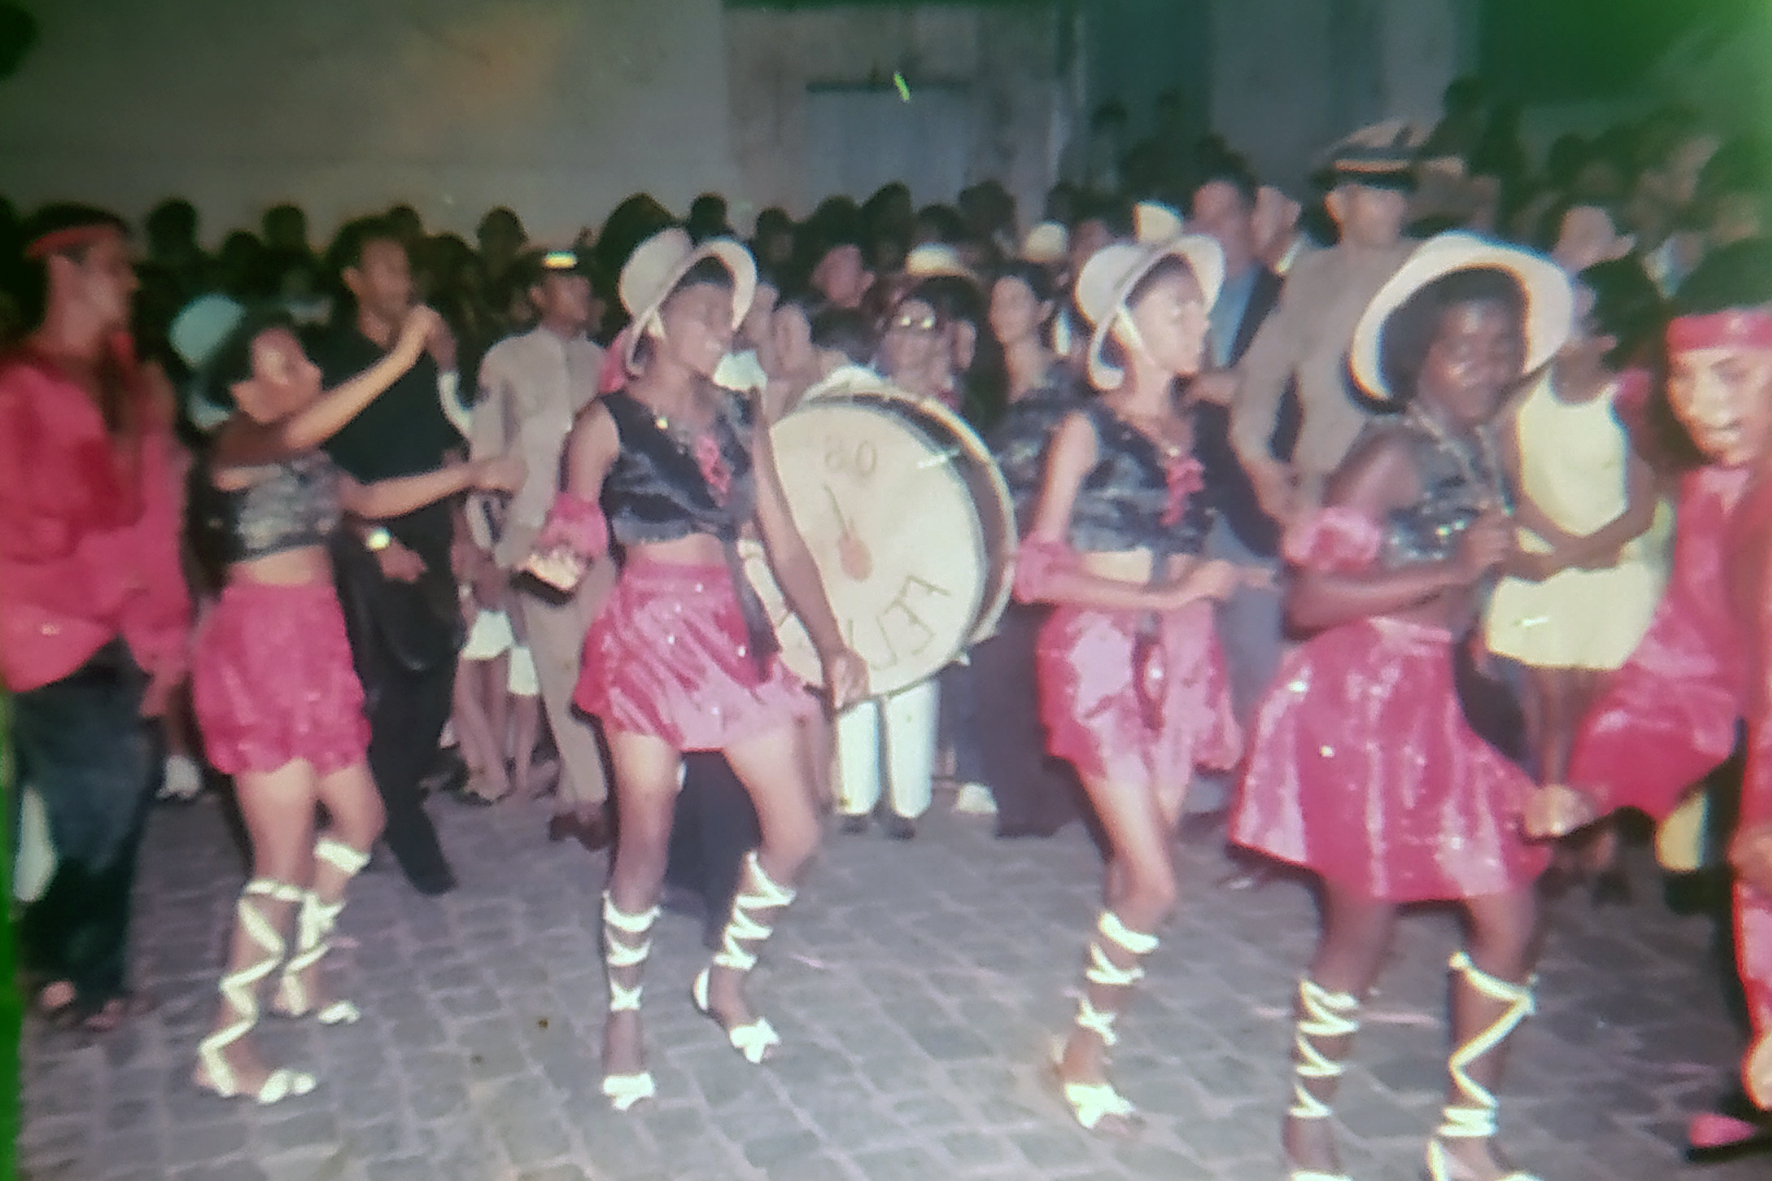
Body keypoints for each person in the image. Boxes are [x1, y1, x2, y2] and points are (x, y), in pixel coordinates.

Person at [1231, 232, 1586, 1181]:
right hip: (1366, 709)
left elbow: (1472, 580)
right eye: (1462, 348)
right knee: (1364, 925)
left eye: (1503, 346)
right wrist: (1450, 567)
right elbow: (1307, 599)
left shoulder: (1476, 446)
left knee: (1511, 918)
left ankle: (1465, 1136)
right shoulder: (1387, 455)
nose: (1487, 365)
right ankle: (1307, 1121)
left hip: (1451, 707)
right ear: (1419, 356)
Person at [531, 228, 866, 1111]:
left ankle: (725, 975)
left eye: (730, 314)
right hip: (645, 637)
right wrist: (558, 554)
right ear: (655, 320)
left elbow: (782, 538)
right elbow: (575, 524)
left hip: (730, 634)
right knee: (642, 838)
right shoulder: (604, 423)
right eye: (705, 313)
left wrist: (831, 641)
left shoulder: (741, 414)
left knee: (795, 832)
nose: (725, 328)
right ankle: (625, 1012)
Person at [186, 302, 521, 1102]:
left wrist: (470, 473)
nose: (306, 374)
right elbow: (300, 436)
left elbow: (369, 499)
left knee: (363, 817)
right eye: (284, 365)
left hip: (314, 646)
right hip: (261, 658)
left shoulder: (306, 456)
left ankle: (301, 973)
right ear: (241, 389)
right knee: (280, 864)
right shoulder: (238, 443)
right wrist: (403, 351)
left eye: (306, 361)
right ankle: (224, 1045)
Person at [1014, 235, 1260, 1133]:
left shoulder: (1194, 430)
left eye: (1200, 308)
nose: (1198, 325)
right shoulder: (1087, 428)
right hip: (1100, 657)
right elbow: (1036, 575)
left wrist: (1225, 581)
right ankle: (1083, 1052)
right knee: (1156, 881)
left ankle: (1087, 1036)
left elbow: (1199, 549)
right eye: (1177, 312)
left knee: (1136, 864)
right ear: (1125, 329)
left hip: (1181, 658)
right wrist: (1167, 590)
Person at [1564, 238, 1772, 1153]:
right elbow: (1692, 661)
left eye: (1733, 374)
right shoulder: (1722, 493)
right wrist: (1599, 777)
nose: (1702, 403)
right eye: (1688, 376)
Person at [1, 205, 192, 1032]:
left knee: (122, 795)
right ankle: (70, 970)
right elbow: (30, 526)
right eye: (116, 265)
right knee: (101, 801)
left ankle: (72, 964)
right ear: (65, 270)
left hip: (126, 625)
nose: (132, 280)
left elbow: (152, 513)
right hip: (49, 627)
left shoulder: (121, 378)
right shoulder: (20, 385)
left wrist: (163, 633)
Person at [1481, 258, 1667, 867]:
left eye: (1575, 319)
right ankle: (1551, 834)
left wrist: (1569, 556)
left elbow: (1638, 515)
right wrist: (1553, 551)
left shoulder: (1625, 405)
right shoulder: (1526, 394)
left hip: (1612, 574)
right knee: (1549, 707)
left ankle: (1598, 831)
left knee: (1597, 707)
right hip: (1551, 564)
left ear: (1607, 338)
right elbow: (1518, 489)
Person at [309, 217, 466, 895]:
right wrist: (375, 541)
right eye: (387, 268)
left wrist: (461, 532)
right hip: (360, 547)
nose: (403, 281)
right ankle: (399, 827)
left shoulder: (420, 354)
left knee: (432, 689)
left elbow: (440, 447)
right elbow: (319, 470)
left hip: (429, 536)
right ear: (353, 280)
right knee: (383, 695)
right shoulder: (332, 361)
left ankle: (377, 813)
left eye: (406, 268)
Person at [469, 248, 615, 844]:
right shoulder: (504, 362)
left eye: (584, 281)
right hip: (533, 534)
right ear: (536, 295)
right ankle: (593, 799)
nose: (580, 290)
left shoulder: (605, 360)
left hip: (595, 535)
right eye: (565, 283)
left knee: (601, 660)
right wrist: (487, 550)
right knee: (557, 666)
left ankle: (577, 789)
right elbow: (484, 457)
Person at [1230, 121, 1421, 528]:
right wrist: (1257, 459)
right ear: (1338, 205)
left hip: (1415, 488)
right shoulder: (1309, 277)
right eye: (1378, 194)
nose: (1394, 205)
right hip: (1325, 482)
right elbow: (1262, 371)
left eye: (1400, 193)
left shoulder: (1433, 267)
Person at [971, 262, 1085, 838]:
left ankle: (1052, 798)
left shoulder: (1065, 387)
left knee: (1037, 675)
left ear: (1043, 311)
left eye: (1017, 301)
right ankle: (1020, 803)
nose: (1003, 313)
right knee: (994, 676)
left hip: (1042, 543)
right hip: (992, 545)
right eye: (997, 302)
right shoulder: (984, 386)